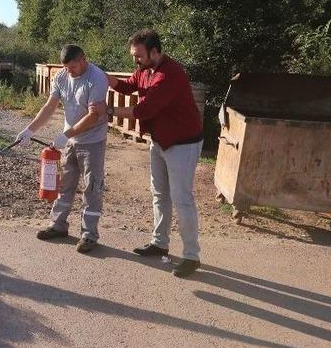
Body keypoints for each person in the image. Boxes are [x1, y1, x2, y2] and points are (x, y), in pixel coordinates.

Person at [103, 29, 203, 277]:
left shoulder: (170, 75)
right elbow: (128, 87)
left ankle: (191, 256)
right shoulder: (145, 70)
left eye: (138, 55)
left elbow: (144, 110)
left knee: (182, 198)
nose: (135, 60)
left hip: (183, 143)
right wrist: (102, 77)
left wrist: (109, 112)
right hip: (160, 140)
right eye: (133, 55)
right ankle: (160, 242)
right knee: (159, 194)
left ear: (155, 51)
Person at [16, 45, 109, 253]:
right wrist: (29, 130)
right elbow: (50, 106)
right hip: (70, 141)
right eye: (66, 67)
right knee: (64, 184)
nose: (69, 71)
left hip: (92, 140)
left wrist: (66, 135)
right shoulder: (61, 76)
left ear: (84, 60)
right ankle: (58, 226)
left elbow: (94, 116)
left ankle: (89, 235)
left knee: (92, 188)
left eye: (73, 67)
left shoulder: (97, 78)